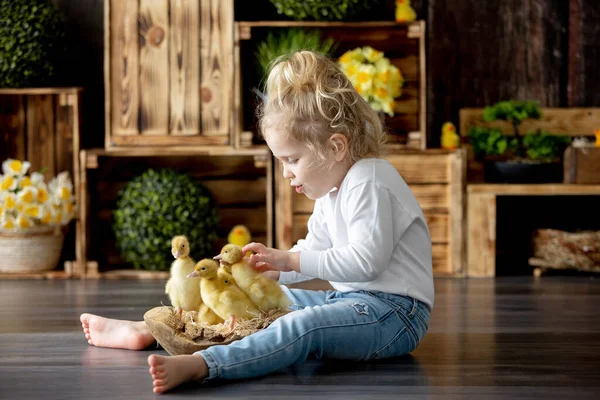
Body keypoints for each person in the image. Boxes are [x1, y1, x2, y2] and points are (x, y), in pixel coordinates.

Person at [80, 50, 434, 394]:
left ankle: (207, 364)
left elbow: (366, 262)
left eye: (292, 159)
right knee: (258, 302)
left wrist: (291, 260)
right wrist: (273, 270)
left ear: (336, 147)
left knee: (302, 325)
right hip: (353, 302)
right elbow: (314, 251)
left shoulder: (369, 180)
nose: (286, 173)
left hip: (396, 316)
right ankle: (152, 331)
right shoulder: (332, 191)